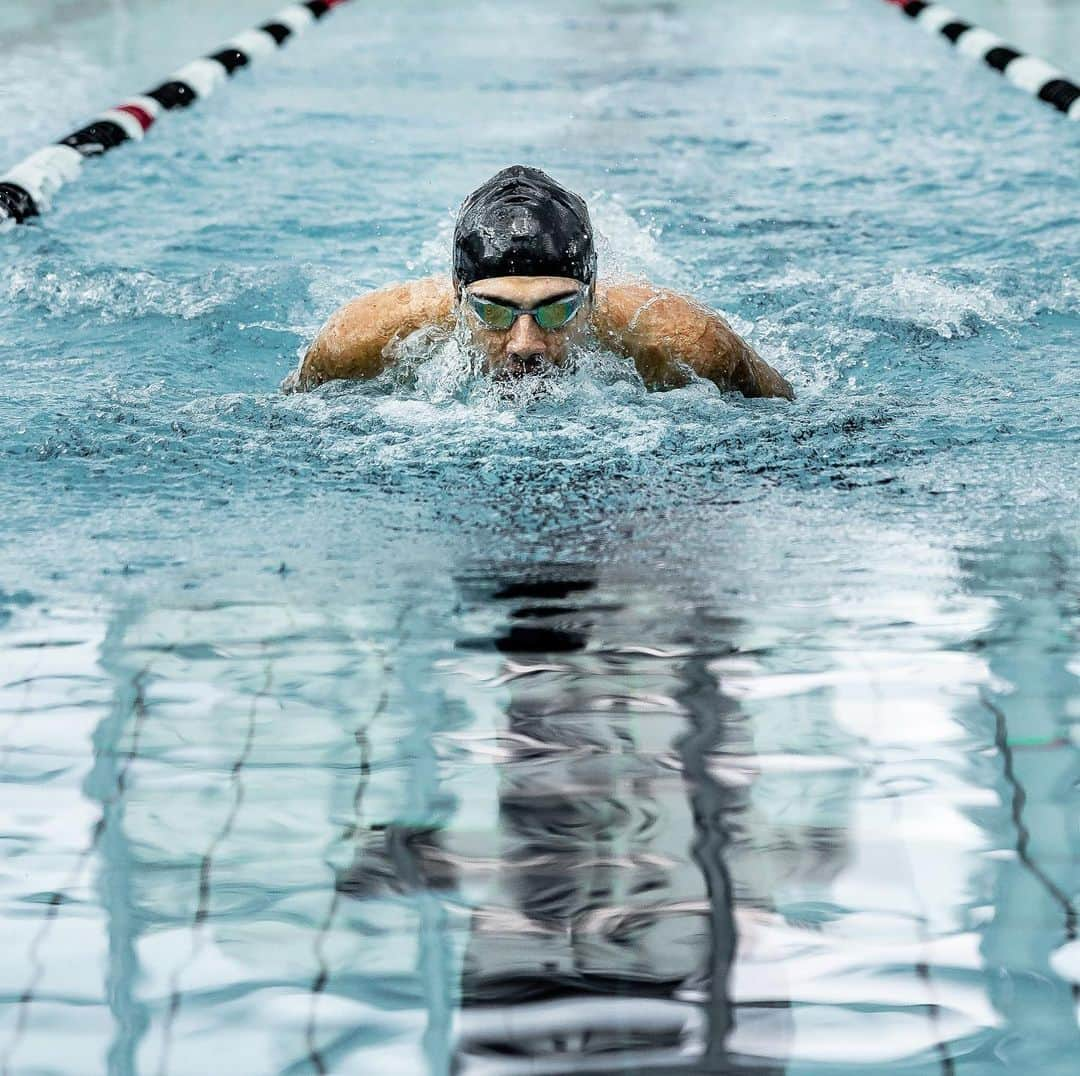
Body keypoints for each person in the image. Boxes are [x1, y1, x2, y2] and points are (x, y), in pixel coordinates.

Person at [287, 166, 794, 399]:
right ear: (457, 299)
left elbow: (794, 418)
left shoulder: (687, 344)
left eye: (557, 310)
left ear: (592, 300)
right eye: (493, 311)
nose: (526, 345)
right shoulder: (358, 340)